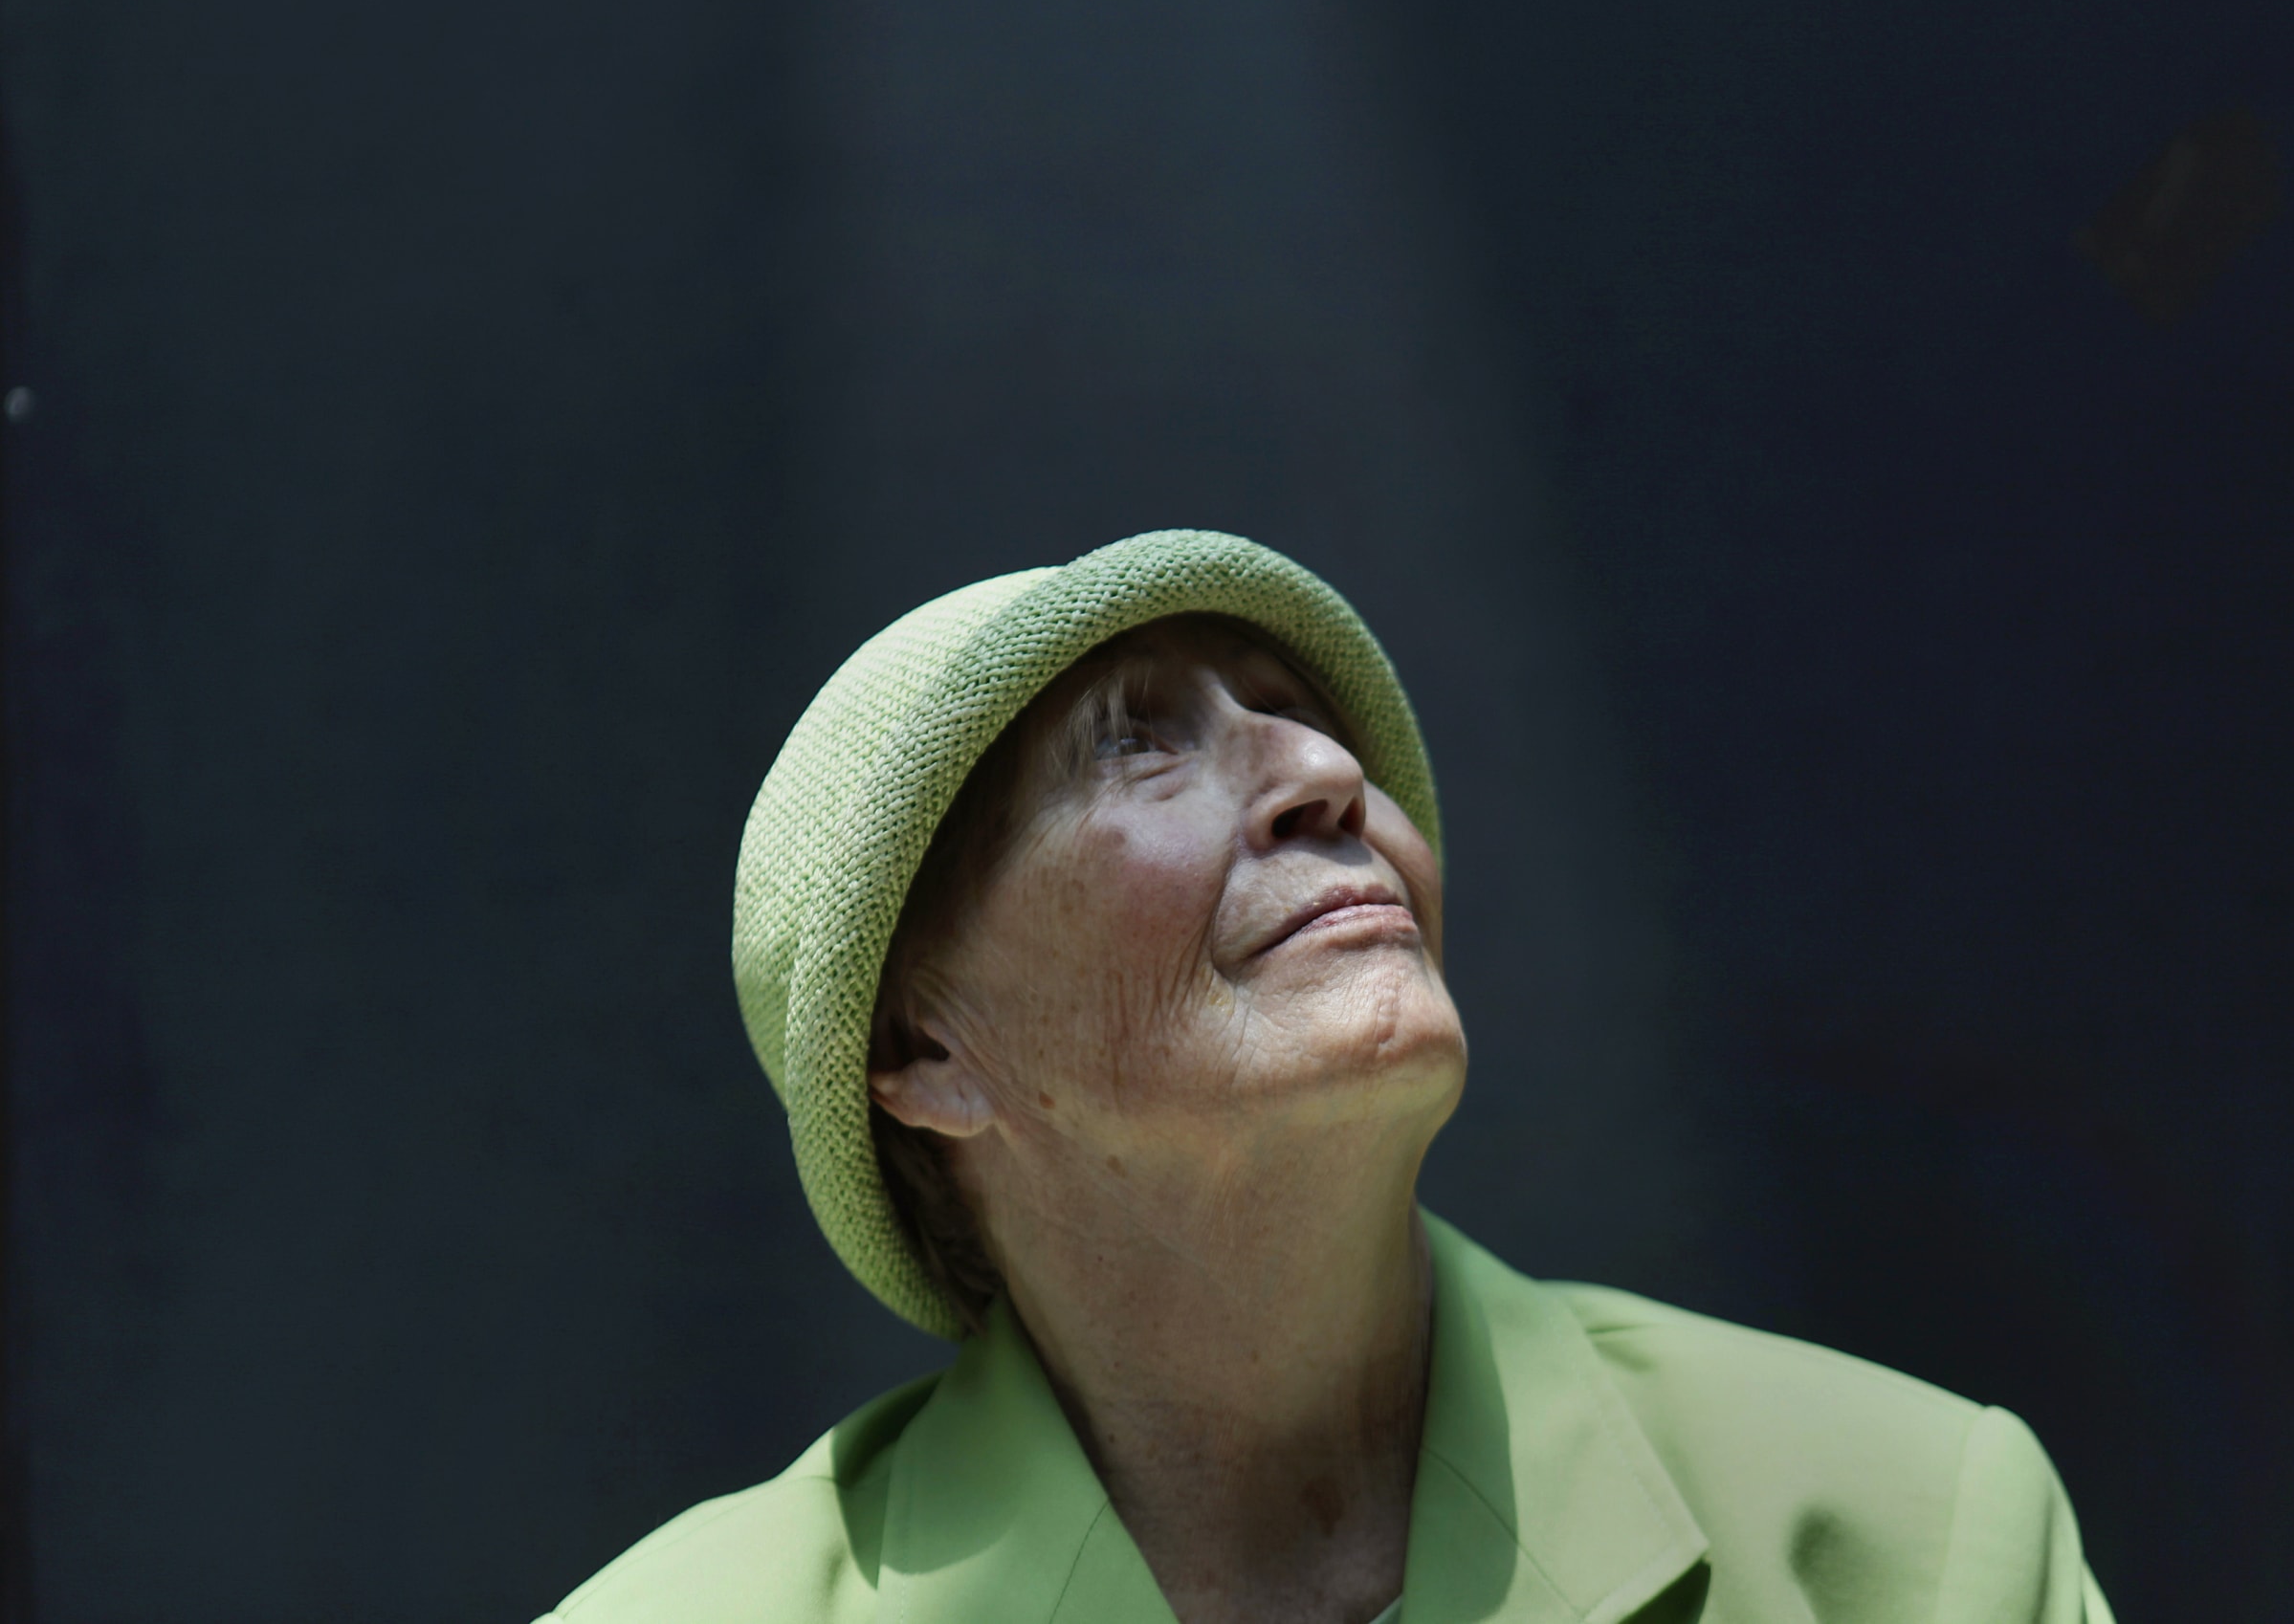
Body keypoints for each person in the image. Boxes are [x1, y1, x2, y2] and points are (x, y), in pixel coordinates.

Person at [536, 530, 2116, 1624]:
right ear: (925, 1053)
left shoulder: (1917, 1529)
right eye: (1133, 742)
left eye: (1291, 715)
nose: (1326, 772)